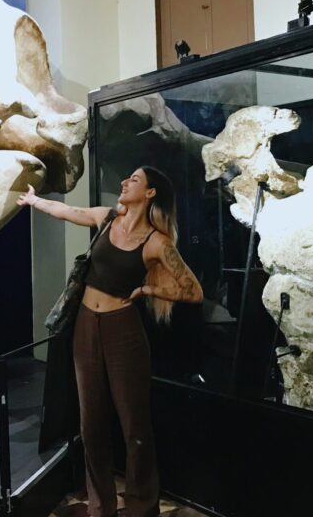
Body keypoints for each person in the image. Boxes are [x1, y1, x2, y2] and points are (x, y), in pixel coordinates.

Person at [18, 166, 204, 517]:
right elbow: (69, 212)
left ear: (150, 194)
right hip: (86, 325)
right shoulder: (105, 219)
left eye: (134, 180)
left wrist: (149, 288)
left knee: (134, 425)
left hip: (124, 329)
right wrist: (34, 201)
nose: (124, 182)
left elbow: (192, 290)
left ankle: (141, 506)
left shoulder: (156, 242)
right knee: (90, 424)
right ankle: (100, 506)